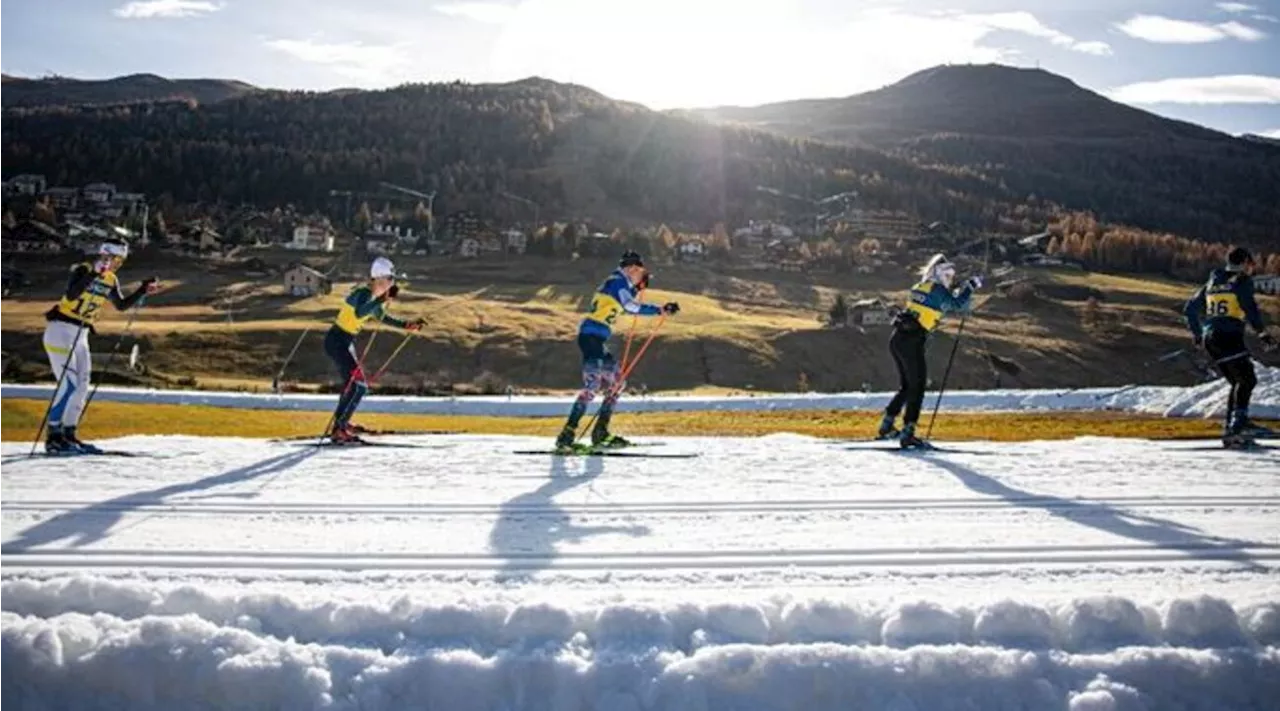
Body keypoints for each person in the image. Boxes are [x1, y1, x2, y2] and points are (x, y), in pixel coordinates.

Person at [42, 240, 160, 454]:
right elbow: (71, 295)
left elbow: (121, 305)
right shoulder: (84, 269)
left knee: (82, 385)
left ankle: (69, 434)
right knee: (67, 385)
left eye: (120, 261)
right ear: (104, 256)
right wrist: (93, 274)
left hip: (82, 333)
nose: (116, 264)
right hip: (61, 330)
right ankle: (53, 437)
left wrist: (142, 290)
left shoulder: (111, 279)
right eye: (115, 259)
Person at [554, 250, 678, 451]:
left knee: (617, 382)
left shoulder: (622, 284)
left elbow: (626, 300)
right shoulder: (617, 281)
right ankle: (567, 434)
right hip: (589, 336)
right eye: (639, 273)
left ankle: (600, 431)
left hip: (598, 338)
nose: (640, 278)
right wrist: (659, 309)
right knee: (593, 384)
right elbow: (629, 306)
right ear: (632, 268)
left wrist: (640, 290)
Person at [878, 253, 982, 449]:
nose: (949, 279)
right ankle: (908, 431)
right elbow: (956, 304)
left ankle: (887, 424)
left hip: (898, 339)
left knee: (907, 387)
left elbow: (940, 302)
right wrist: (970, 286)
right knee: (917, 387)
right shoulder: (939, 290)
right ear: (938, 273)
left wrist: (960, 291)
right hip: (912, 342)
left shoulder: (920, 287)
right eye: (947, 275)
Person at [324, 257, 425, 444]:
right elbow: (359, 313)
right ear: (379, 279)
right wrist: (381, 299)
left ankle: (341, 424)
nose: (392, 284)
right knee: (358, 386)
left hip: (345, 342)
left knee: (352, 385)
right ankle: (339, 428)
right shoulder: (363, 294)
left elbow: (382, 317)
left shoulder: (372, 298)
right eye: (390, 279)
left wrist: (407, 325)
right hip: (337, 341)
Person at [1184, 246, 1277, 443]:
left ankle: (1231, 429)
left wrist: (1198, 334)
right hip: (1228, 336)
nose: (1251, 269)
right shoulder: (1241, 281)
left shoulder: (1212, 282)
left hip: (1211, 338)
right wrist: (1262, 332)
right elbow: (1249, 307)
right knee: (1247, 379)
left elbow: (1190, 309)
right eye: (1251, 264)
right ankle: (1239, 425)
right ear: (1244, 262)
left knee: (1237, 382)